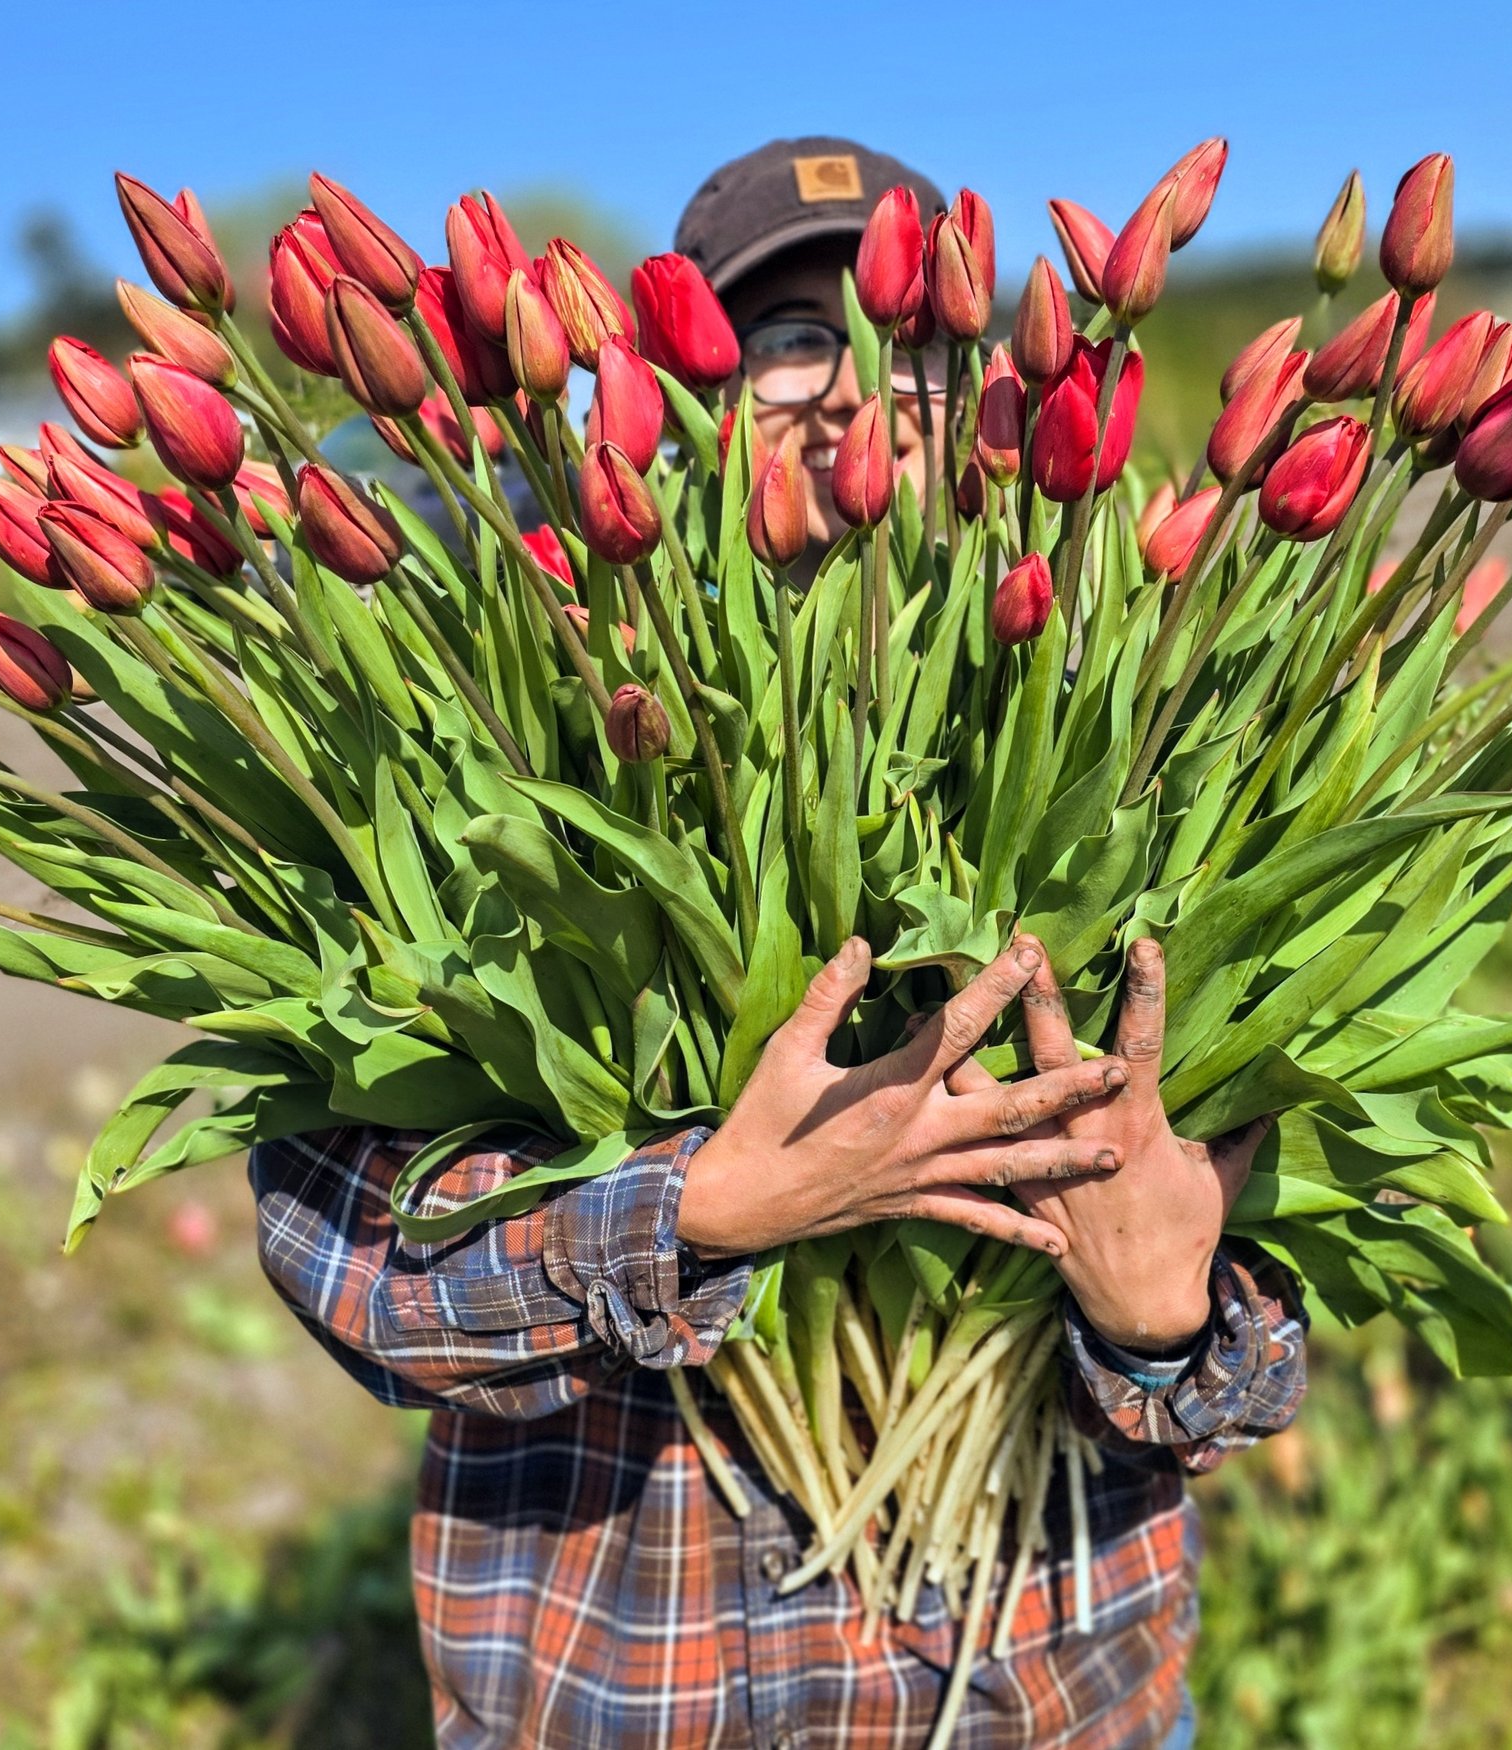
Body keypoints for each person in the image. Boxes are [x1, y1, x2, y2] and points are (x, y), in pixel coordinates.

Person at [250, 138, 1307, 1749]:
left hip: (1047, 1688)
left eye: (910, 337)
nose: (860, 385)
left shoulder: (1142, 705)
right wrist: (700, 1208)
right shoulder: (531, 701)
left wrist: (1166, 1314)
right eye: (794, 338)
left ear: (996, 380)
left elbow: (1261, 1332)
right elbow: (348, 1254)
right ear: (673, 385)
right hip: (635, 1694)